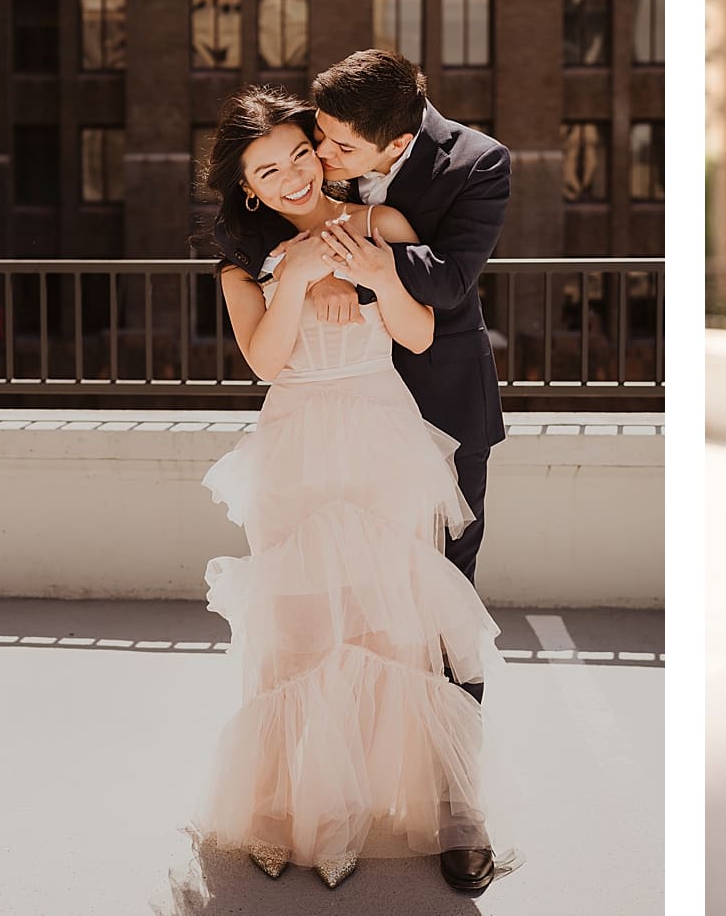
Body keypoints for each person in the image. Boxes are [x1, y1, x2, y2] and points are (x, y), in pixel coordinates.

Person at [193, 86, 502, 893]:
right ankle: (282, 809)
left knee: (387, 626)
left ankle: (379, 802)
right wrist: (294, 276)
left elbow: (421, 333)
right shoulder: (241, 266)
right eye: (269, 169)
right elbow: (264, 361)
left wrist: (375, 272)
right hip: (296, 444)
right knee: (295, 628)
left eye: (302, 152)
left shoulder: (381, 224)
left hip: (380, 434)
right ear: (247, 188)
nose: (295, 174)